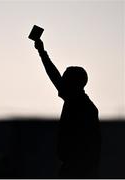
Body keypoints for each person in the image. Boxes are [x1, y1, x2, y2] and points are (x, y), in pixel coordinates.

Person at [34, 39, 101, 178]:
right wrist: (41, 52)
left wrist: (42, 52)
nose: (61, 82)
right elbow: (55, 76)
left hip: (77, 169)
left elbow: (91, 145)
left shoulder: (81, 106)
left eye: (65, 79)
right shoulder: (79, 102)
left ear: (73, 84)